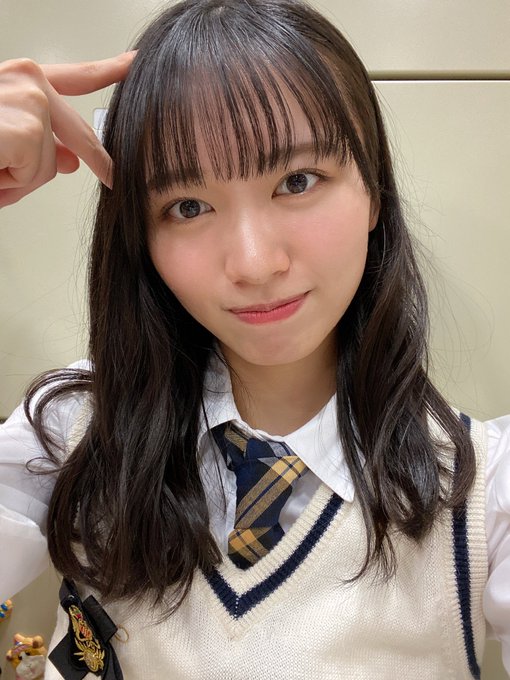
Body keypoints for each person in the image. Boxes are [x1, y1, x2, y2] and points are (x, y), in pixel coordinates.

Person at [0, 0, 508, 677]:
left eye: (297, 181)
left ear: (373, 192)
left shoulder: (486, 494)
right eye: (188, 206)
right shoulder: (71, 429)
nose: (253, 263)